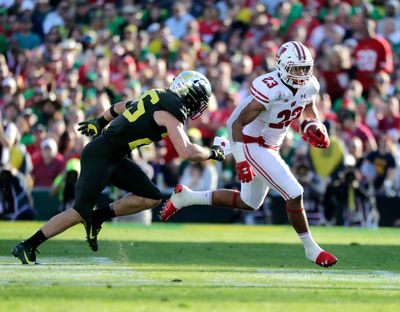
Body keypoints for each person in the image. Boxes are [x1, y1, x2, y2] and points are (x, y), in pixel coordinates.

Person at [12, 71, 225, 264]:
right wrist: (213, 153)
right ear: (188, 93)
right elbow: (186, 151)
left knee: (152, 196)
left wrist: (99, 121)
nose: (198, 107)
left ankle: (98, 217)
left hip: (114, 156)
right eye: (198, 101)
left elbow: (121, 106)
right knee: (79, 211)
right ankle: (29, 244)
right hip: (100, 155)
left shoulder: (157, 95)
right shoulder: (171, 110)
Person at [160, 42, 338, 268]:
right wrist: (242, 161)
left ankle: (187, 197)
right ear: (282, 66)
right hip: (249, 141)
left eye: (305, 69)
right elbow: (237, 126)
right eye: (296, 69)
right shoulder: (270, 88)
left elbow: (308, 110)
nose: (301, 75)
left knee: (250, 202)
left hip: (269, 146)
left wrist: (314, 126)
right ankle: (312, 249)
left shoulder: (310, 85)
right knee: (294, 192)